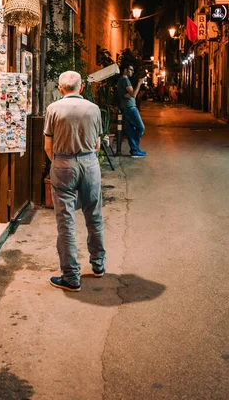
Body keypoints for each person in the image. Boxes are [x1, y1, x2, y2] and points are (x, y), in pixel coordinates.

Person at [44, 71, 106, 292]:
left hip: (63, 163)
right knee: (94, 214)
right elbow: (97, 144)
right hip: (90, 163)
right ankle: (98, 265)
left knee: (66, 221)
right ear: (81, 88)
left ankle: (71, 277)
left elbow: (48, 146)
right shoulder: (94, 109)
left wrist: (60, 163)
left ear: (61, 89)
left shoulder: (53, 109)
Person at [116, 65, 146, 157]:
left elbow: (128, 95)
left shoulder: (121, 80)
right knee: (140, 127)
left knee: (130, 130)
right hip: (130, 108)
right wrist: (139, 83)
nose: (132, 72)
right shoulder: (125, 80)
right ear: (125, 70)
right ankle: (135, 149)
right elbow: (133, 94)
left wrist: (130, 94)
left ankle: (134, 150)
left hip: (126, 107)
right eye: (131, 70)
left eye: (133, 70)